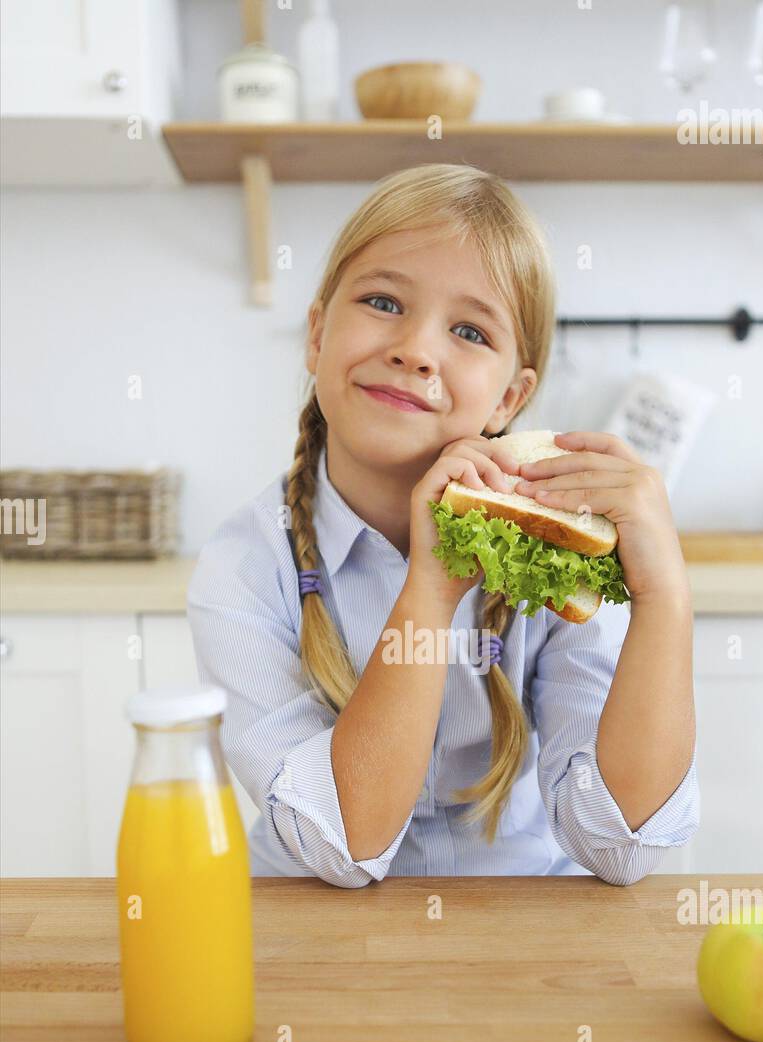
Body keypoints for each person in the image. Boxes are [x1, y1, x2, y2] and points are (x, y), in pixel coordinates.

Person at [187, 163, 699, 886]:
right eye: (381, 301)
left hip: (518, 939)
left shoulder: (556, 553)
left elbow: (622, 847)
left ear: (508, 398)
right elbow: (344, 846)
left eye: (468, 330)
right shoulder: (243, 565)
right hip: (314, 945)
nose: (416, 351)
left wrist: (664, 597)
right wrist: (430, 588)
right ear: (315, 335)